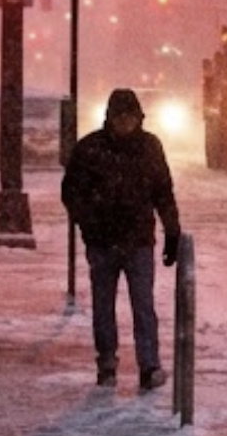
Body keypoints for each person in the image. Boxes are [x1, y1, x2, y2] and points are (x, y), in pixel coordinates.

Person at [61, 88, 181, 390]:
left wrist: (172, 230)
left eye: (130, 117)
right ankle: (107, 361)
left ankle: (149, 365)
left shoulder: (147, 147)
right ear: (111, 118)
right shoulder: (91, 149)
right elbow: (72, 192)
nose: (125, 123)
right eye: (120, 117)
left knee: (142, 305)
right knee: (104, 305)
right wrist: (88, 222)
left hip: (137, 239)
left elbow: (162, 191)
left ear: (138, 118)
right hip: (104, 240)